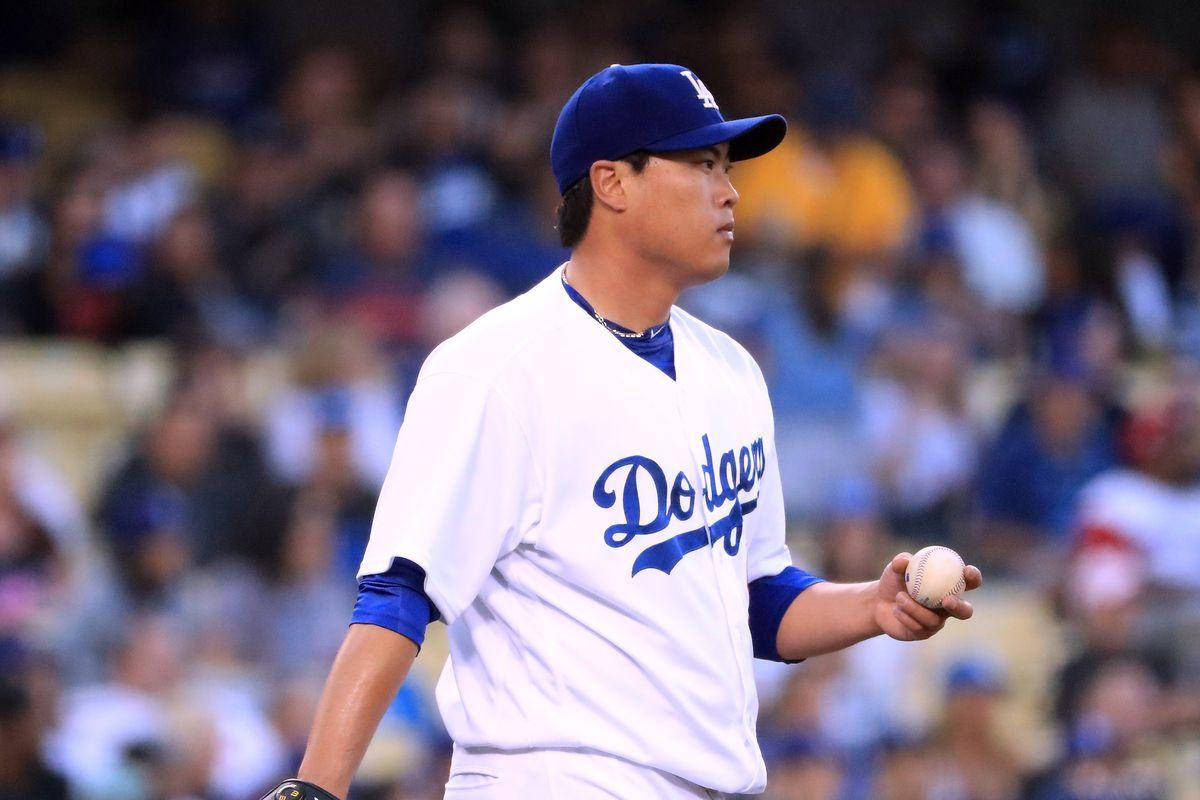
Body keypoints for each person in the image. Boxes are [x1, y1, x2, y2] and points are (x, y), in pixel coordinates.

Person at [262, 63, 982, 800]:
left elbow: (756, 600)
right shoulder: (495, 371)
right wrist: (319, 787)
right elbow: (397, 595)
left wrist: (872, 605)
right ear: (612, 183)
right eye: (702, 165)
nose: (731, 191)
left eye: (726, 168)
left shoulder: (731, 370)